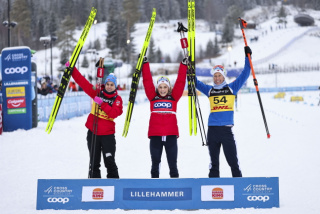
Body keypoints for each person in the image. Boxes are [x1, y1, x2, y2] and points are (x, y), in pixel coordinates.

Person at [195, 46, 252, 178]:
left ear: (223, 76)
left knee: (233, 162)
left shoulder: (232, 88)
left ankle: (239, 187)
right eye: (215, 76)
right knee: (214, 164)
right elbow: (195, 82)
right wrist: (189, 71)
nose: (217, 78)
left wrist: (247, 57)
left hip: (226, 131)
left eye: (219, 75)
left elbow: (246, 72)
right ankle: (213, 189)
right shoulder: (210, 90)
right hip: (212, 131)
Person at [71, 65, 123, 178]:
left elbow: (114, 113)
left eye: (112, 85)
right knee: (94, 162)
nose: (109, 87)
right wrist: (72, 70)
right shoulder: (97, 92)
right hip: (93, 132)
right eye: (108, 84)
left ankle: (114, 185)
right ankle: (94, 187)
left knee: (109, 162)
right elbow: (83, 83)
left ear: (115, 86)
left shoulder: (117, 99)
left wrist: (102, 104)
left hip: (107, 135)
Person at [142, 56, 187, 178]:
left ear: (169, 88)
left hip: (171, 136)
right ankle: (154, 187)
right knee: (155, 164)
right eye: (160, 87)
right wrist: (145, 64)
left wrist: (183, 65)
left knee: (173, 164)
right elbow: (147, 81)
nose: (162, 90)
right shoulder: (152, 97)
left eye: (165, 87)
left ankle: (175, 188)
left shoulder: (174, 97)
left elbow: (181, 82)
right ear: (157, 88)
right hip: (155, 136)